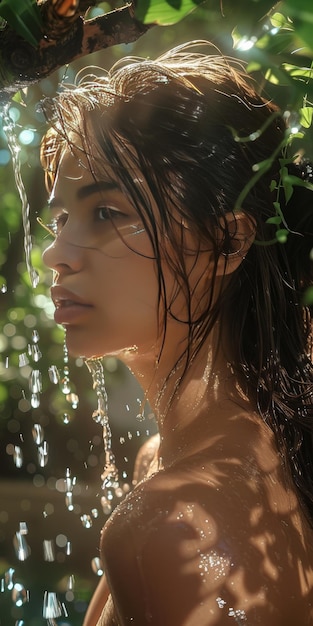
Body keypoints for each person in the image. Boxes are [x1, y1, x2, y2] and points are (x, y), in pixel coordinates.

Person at [40, 41, 313, 625]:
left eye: (107, 212)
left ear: (229, 241)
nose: (55, 254)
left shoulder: (176, 523)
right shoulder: (177, 463)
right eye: (61, 218)